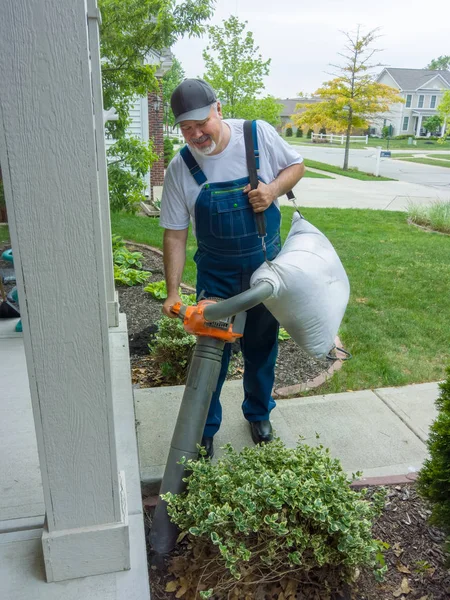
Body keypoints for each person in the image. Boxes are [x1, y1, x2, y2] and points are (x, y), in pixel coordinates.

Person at [159, 79, 304, 458]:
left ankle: (258, 413)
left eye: (200, 123)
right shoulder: (181, 167)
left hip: (263, 271)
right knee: (212, 356)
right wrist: (173, 291)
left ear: (218, 109)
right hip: (217, 277)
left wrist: (272, 190)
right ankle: (205, 429)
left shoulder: (256, 136)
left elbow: (296, 165)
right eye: (186, 128)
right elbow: (175, 234)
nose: (196, 134)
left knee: (261, 349)